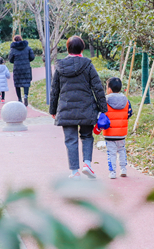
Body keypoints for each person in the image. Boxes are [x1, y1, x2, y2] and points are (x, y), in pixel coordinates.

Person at [50, 35, 107, 179]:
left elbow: (54, 90)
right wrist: (103, 108)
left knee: (71, 140)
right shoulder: (87, 64)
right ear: (82, 49)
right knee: (87, 136)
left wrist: (53, 110)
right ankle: (87, 164)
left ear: (68, 48)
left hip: (66, 108)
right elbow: (97, 87)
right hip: (86, 108)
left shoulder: (60, 66)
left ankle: (74, 171)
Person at [101, 77, 133, 179]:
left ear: (109, 89)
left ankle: (112, 172)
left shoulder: (105, 101)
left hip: (109, 133)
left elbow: (102, 115)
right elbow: (129, 113)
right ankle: (123, 169)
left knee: (111, 153)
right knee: (122, 150)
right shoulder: (126, 101)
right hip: (121, 133)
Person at [8, 35, 35, 106]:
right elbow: (32, 57)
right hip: (26, 67)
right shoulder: (28, 48)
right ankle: (25, 95)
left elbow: (10, 60)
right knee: (26, 82)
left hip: (17, 68)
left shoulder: (13, 49)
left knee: (17, 84)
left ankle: (19, 99)